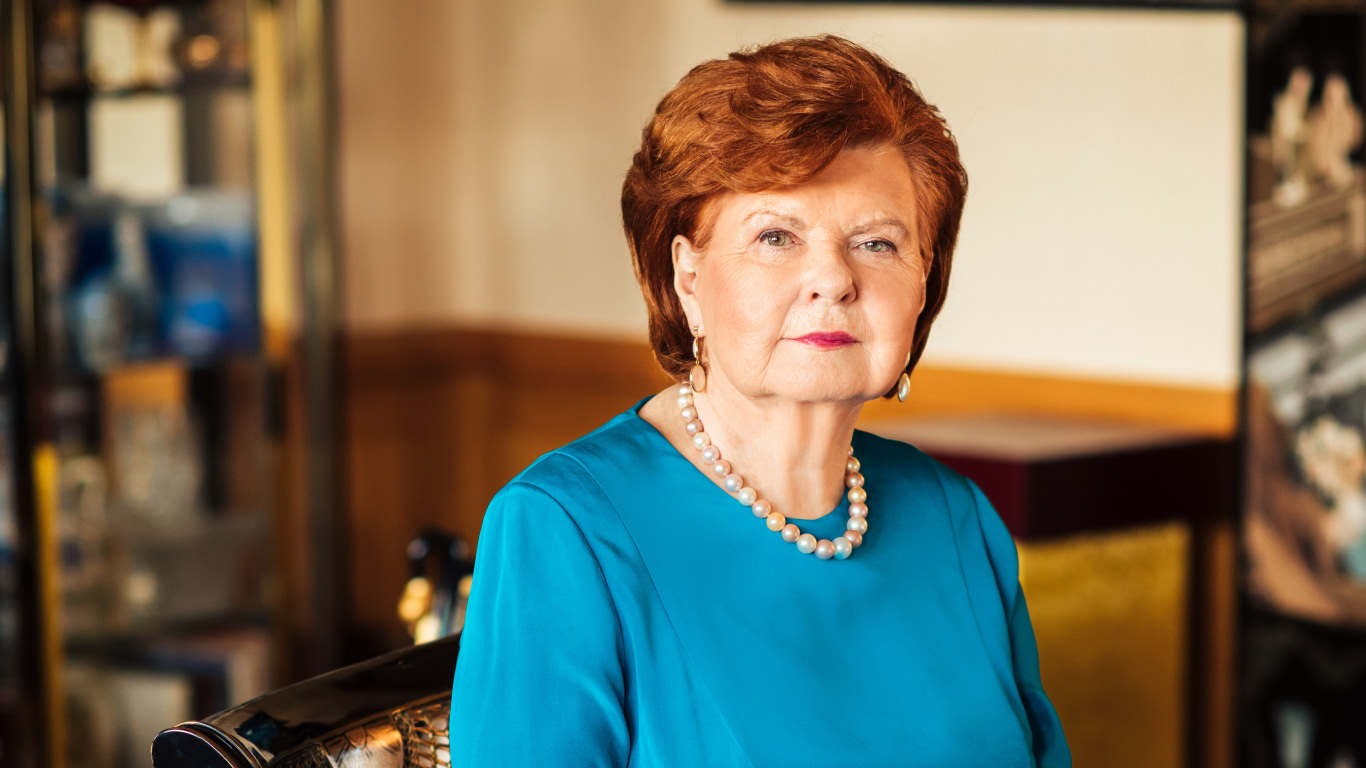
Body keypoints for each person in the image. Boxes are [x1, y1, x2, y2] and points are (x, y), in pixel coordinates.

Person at [450, 35, 1070, 767]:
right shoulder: (563, 529)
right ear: (687, 278)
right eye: (776, 237)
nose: (833, 280)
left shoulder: (956, 518)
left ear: (924, 282)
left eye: (876, 244)